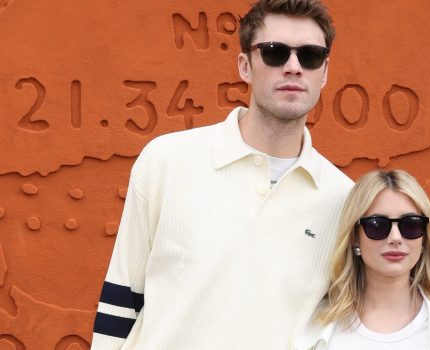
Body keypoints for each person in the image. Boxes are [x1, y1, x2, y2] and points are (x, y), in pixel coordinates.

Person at [91, 1, 353, 348]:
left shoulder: (342, 198)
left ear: (324, 72)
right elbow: (121, 297)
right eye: (274, 53)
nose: (293, 67)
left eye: (310, 55)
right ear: (245, 66)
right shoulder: (167, 160)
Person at [295, 170, 430, 350]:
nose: (395, 238)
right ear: (354, 236)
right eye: (377, 225)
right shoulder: (307, 328)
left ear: (424, 238)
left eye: (410, 225)